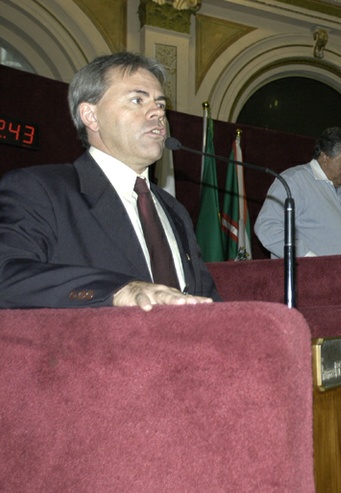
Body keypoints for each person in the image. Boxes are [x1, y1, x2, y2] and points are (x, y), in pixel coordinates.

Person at [0, 52, 219, 311]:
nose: (158, 113)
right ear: (90, 116)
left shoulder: (174, 210)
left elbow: (207, 301)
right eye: (138, 100)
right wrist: (117, 290)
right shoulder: (39, 190)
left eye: (160, 104)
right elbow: (7, 275)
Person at [255, 127, 341, 257]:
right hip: (312, 269)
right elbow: (267, 227)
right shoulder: (294, 180)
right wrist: (308, 260)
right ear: (325, 156)